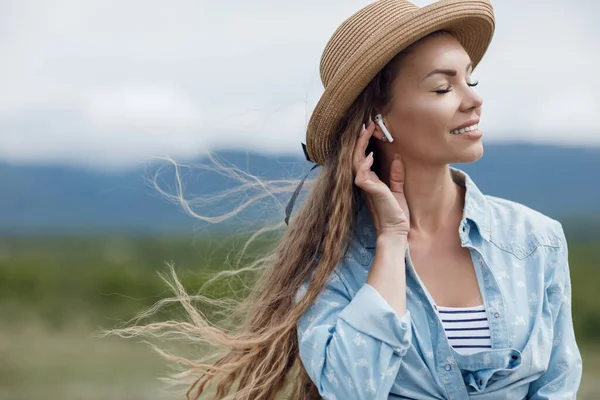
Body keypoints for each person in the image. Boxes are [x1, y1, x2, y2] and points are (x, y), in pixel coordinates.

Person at [107, 0, 582, 399]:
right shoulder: (333, 261)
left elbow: (558, 385)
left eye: (469, 80)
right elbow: (352, 389)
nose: (472, 100)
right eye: (442, 87)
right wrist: (392, 241)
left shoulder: (537, 241)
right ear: (378, 120)